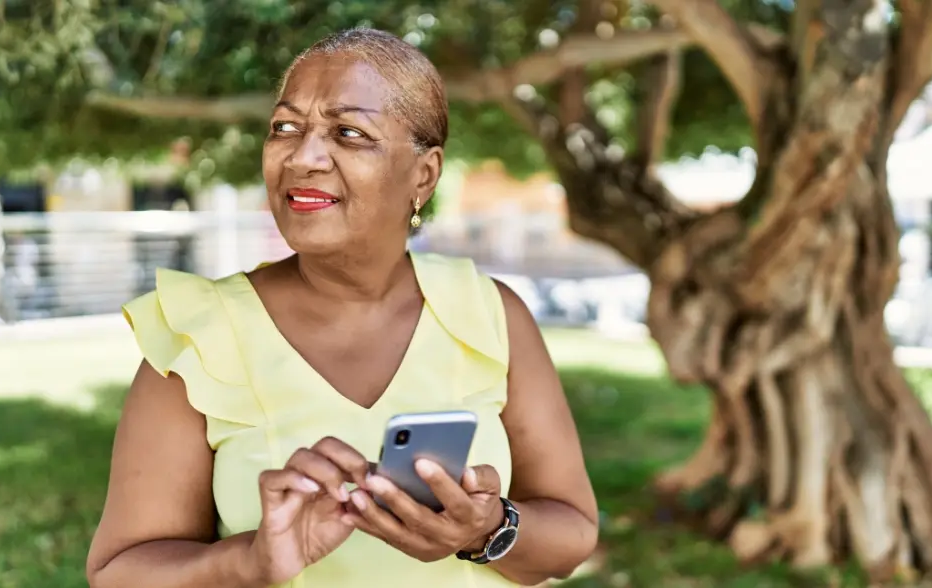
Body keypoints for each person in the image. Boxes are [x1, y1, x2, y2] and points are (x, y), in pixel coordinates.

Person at [86, 27, 598, 588]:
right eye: (285, 127)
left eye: (349, 133)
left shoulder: (491, 315)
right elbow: (119, 573)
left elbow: (572, 534)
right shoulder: (198, 335)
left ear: (423, 175)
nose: (302, 157)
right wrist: (248, 562)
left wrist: (487, 529)